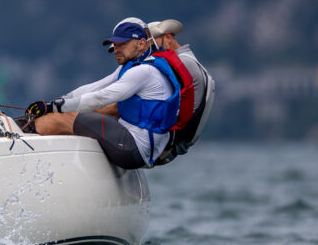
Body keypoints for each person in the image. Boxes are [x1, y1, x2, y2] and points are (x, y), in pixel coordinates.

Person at [22, 20, 181, 169]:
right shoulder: (136, 64)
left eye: (123, 44)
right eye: (115, 45)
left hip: (135, 149)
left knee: (64, 118)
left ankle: (21, 139)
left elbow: (101, 97)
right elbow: (94, 87)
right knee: (70, 114)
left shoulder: (144, 71)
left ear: (141, 44)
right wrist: (59, 101)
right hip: (140, 146)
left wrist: (54, 108)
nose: (116, 49)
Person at [147, 19, 215, 164]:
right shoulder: (189, 59)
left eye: (152, 43)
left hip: (169, 143)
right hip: (177, 143)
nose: (150, 50)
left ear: (168, 37)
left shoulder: (181, 62)